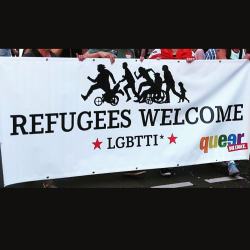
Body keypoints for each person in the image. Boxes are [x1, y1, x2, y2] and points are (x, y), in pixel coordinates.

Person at [148, 48, 195, 176]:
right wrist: (152, 63)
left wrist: (194, 63)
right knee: (163, 130)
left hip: (181, 106)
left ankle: (175, 159)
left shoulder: (190, 52)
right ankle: (165, 163)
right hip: (163, 106)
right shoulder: (156, 52)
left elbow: (198, 73)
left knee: (178, 130)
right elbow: (145, 66)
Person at [23, 49, 59, 187]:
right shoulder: (29, 57)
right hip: (33, 109)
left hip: (51, 108)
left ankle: (47, 179)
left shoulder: (54, 57)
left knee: (48, 143)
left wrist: (95, 55)